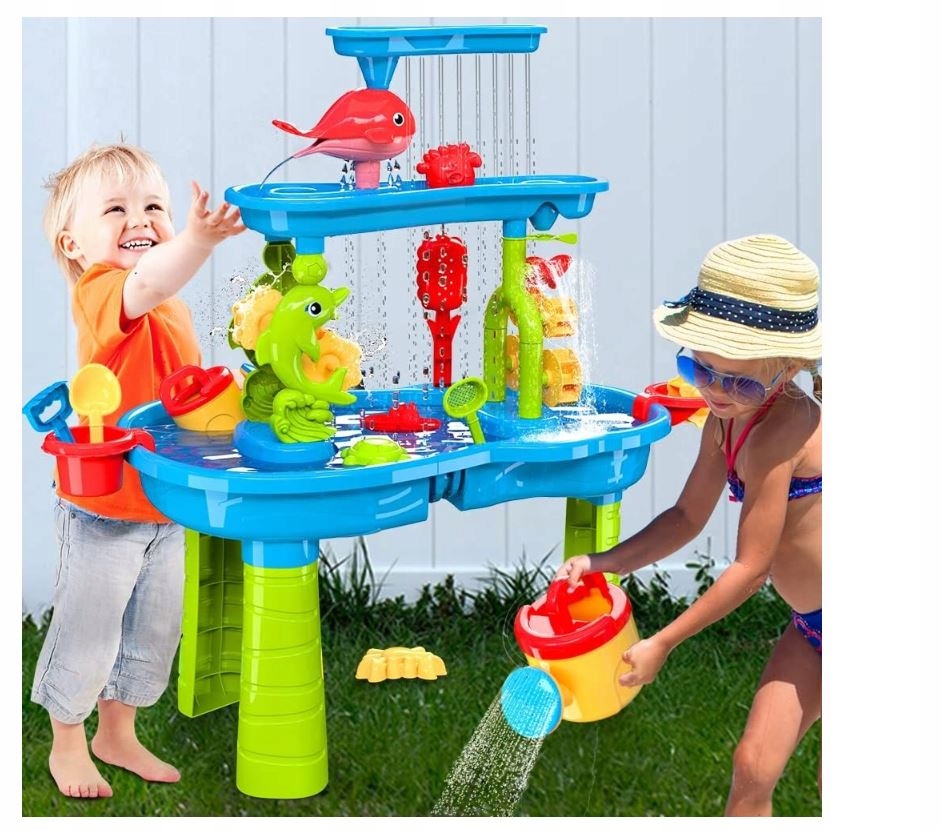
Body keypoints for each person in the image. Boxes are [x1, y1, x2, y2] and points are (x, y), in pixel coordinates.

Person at [556, 234, 822, 816]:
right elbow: (684, 517)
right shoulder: (725, 421)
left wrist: (663, 642)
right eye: (699, 368)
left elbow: (751, 568)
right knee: (752, 767)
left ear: (789, 369)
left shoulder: (783, 430)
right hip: (813, 627)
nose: (716, 391)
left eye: (740, 381)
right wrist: (602, 563)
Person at [30, 143, 245, 799]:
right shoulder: (102, 292)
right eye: (116, 209)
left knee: (152, 630)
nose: (141, 219)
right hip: (105, 506)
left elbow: (183, 396)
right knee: (90, 628)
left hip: (166, 504)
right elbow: (148, 281)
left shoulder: (172, 305)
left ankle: (116, 733)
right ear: (73, 244)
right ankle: (68, 742)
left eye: (154, 205)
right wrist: (200, 241)